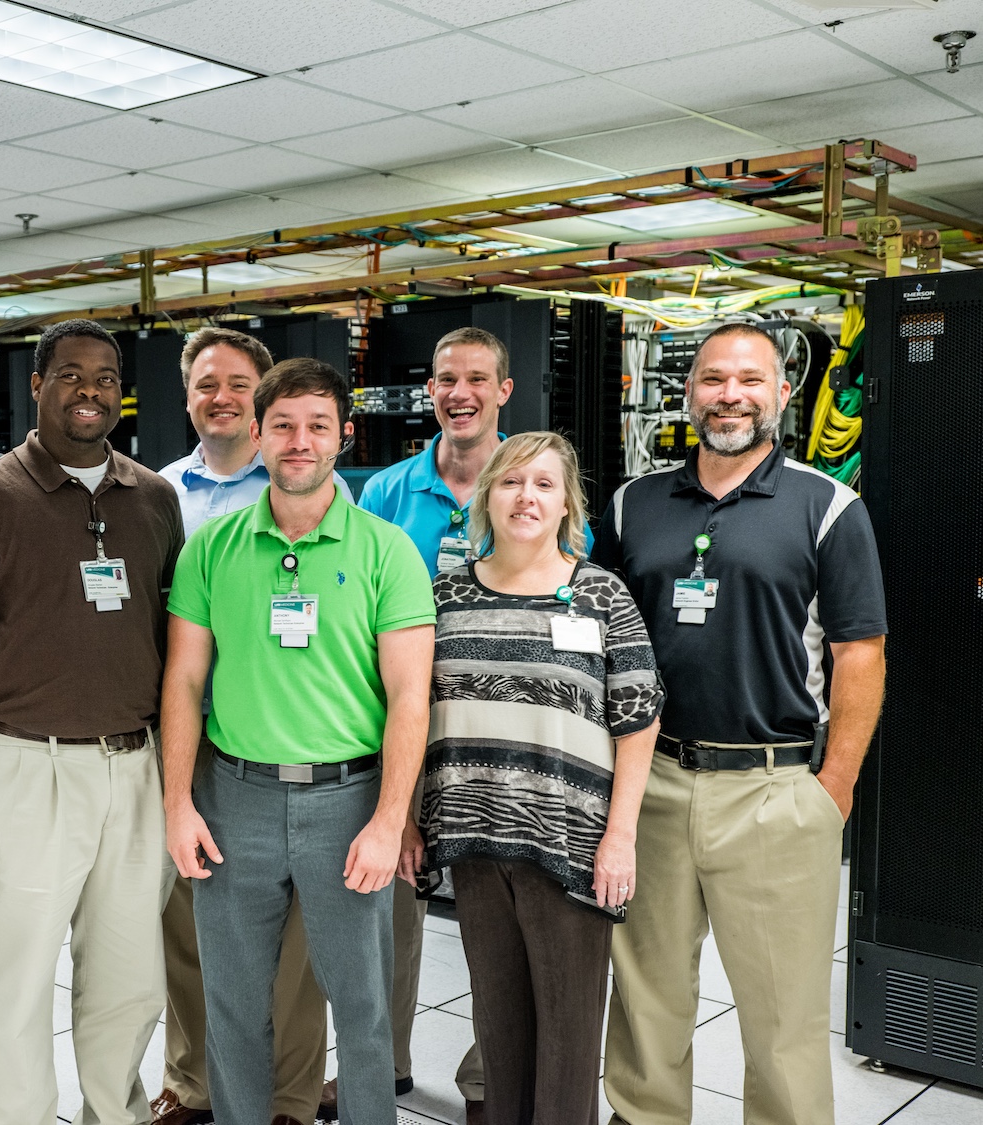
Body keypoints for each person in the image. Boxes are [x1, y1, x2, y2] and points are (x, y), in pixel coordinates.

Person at [594, 323, 887, 1125]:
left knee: (781, 1012)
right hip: (651, 784)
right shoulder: (631, 505)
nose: (730, 394)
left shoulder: (829, 507)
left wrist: (834, 788)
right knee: (646, 993)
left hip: (775, 790)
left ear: (783, 394)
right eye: (714, 378)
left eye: (749, 380)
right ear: (689, 393)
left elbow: (861, 655)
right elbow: (605, 640)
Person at [0, 318, 183, 1125]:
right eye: (69, 375)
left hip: (134, 769)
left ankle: (115, 1113)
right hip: (28, 769)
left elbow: (177, 647)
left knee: (131, 977)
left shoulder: (155, 498)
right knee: (14, 977)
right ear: (37, 386)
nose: (89, 390)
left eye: (105, 376)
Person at [162, 357, 436, 1125]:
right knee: (234, 1006)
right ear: (256, 433)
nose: (299, 441)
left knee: (363, 1011)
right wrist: (178, 803)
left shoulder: (386, 551)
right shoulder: (211, 548)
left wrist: (389, 819)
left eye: (318, 425)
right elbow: (183, 682)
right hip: (232, 799)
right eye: (282, 425)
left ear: (344, 436)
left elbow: (411, 696)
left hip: (348, 803)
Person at [339, 326, 593, 1117]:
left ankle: (492, 1079)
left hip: (513, 749)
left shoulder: (536, 479)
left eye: (477, 378)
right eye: (446, 378)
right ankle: (383, 1065)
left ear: (503, 390)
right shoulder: (385, 491)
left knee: (506, 933)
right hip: (405, 734)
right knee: (390, 915)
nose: (459, 392)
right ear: (431, 391)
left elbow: (578, 586)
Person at [422, 432, 663, 1125]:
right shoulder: (445, 595)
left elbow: (638, 719)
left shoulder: (600, 595)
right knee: (498, 1027)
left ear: (566, 503)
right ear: (486, 496)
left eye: (544, 484)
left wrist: (620, 837)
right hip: (473, 842)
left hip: (571, 844)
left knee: (567, 1033)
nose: (526, 497)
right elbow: (413, 711)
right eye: (510, 482)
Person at [153, 327, 349, 1125]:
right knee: (191, 929)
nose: (221, 397)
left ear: (266, 405)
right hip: (187, 738)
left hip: (282, 741)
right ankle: (194, 1080)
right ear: (188, 394)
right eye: (207, 383)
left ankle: (291, 1095)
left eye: (239, 383)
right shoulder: (155, 492)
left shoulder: (313, 488)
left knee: (296, 946)